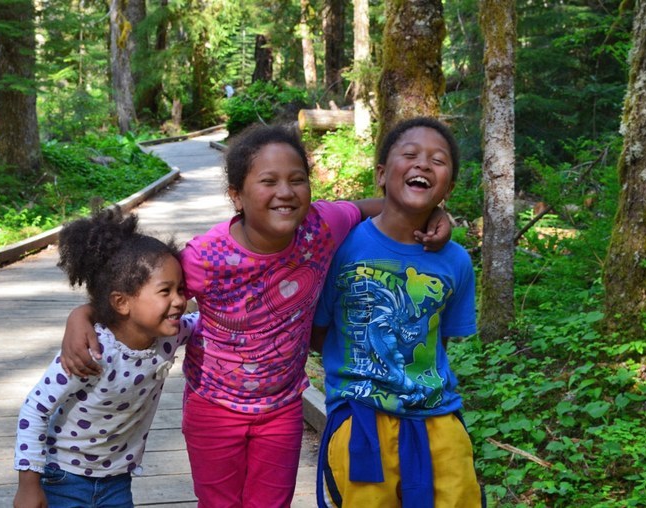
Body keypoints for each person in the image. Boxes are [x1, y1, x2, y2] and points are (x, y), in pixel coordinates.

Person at [58, 124, 452, 508]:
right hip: (213, 406)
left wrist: (434, 215)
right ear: (237, 196)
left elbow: (388, 207)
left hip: (282, 407)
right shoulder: (204, 257)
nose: (285, 192)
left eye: (297, 179)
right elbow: (146, 295)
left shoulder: (323, 224)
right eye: (268, 181)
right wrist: (85, 312)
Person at [311, 117, 483, 507]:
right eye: (410, 155)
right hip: (361, 418)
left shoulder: (455, 261)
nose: (423, 164)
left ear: (449, 187)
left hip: (438, 418)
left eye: (437, 160)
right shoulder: (341, 247)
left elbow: (443, 337)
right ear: (382, 173)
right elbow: (319, 333)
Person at [13, 207, 196, 508]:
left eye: (181, 290)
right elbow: (34, 409)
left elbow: (211, 319)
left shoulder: (170, 335)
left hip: (117, 479)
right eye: (166, 291)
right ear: (121, 303)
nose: (179, 300)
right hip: (63, 476)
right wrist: (28, 485)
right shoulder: (93, 349)